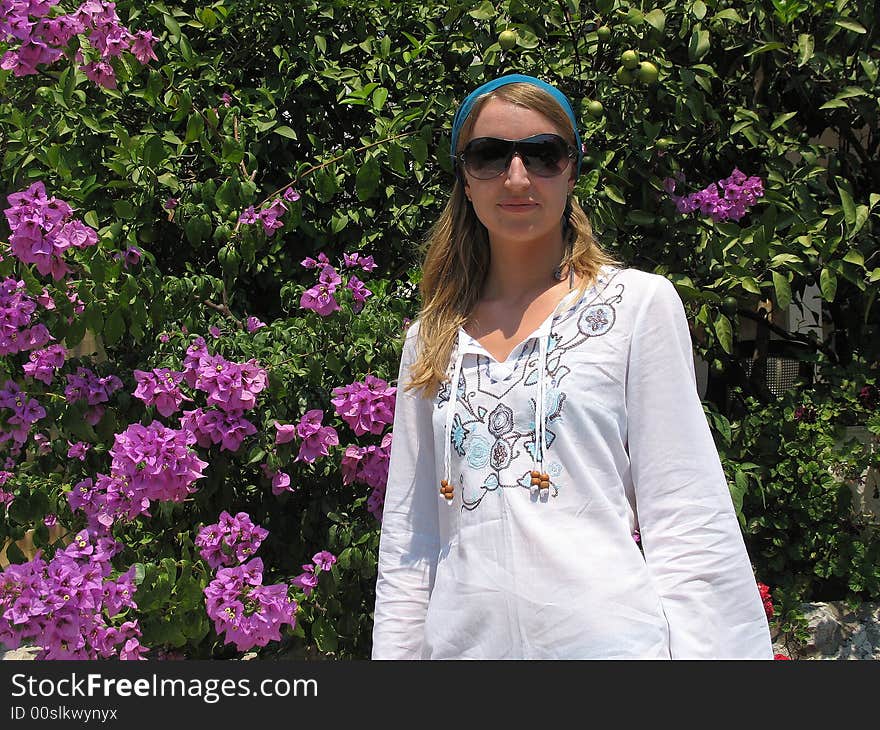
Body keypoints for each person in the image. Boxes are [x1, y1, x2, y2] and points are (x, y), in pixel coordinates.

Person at [371, 73, 773, 659]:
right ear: (464, 175)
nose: (516, 176)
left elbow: (686, 513)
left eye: (542, 154)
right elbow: (411, 540)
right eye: (488, 155)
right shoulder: (430, 340)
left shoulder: (635, 306)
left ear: (572, 169)